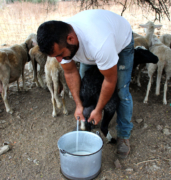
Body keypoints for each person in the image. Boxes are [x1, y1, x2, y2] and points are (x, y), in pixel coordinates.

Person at [37, 9, 134, 159]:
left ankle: (123, 135)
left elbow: (110, 80)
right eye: (55, 56)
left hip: (120, 43)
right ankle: (87, 121)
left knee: (121, 92)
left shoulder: (100, 43)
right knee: (85, 89)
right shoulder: (64, 42)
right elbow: (69, 72)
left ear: (70, 38)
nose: (59, 60)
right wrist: (78, 105)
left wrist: (100, 109)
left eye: (60, 55)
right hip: (89, 50)